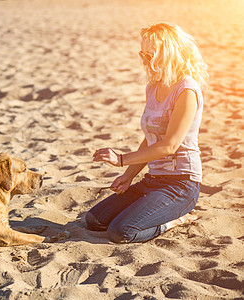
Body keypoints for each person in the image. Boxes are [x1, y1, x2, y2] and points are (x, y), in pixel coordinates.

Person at [86, 22, 208, 243]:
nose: (144, 59)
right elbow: (150, 139)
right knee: (95, 220)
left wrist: (121, 159)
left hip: (181, 184)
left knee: (120, 232)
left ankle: (176, 220)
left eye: (150, 54)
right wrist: (128, 176)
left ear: (167, 54)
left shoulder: (186, 90)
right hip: (153, 180)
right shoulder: (154, 86)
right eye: (142, 53)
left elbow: (168, 145)